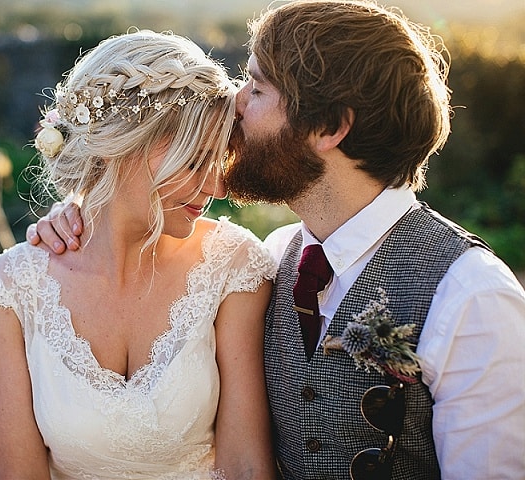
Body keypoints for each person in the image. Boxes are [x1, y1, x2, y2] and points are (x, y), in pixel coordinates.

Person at [27, 1, 525, 479]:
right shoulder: (266, 259)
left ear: (329, 127)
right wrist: (87, 209)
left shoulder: (472, 297)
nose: (235, 103)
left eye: (257, 88)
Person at [0, 30, 278, 479]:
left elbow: (246, 467)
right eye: (194, 163)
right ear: (120, 148)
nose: (216, 187)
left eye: (218, 162)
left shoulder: (234, 268)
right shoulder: (9, 293)